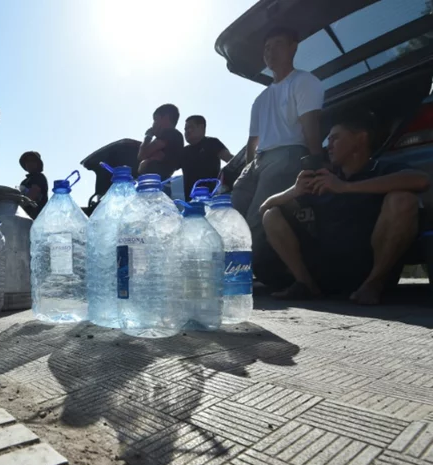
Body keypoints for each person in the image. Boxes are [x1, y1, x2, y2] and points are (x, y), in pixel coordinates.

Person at [258, 115, 430, 305]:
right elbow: (265, 207)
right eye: (328, 140)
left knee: (403, 199)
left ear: (361, 138)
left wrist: (345, 187)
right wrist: (295, 191)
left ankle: (373, 284)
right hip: (326, 271)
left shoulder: (381, 169)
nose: (328, 146)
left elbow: (421, 180)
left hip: (370, 271)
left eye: (335, 138)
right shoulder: (324, 179)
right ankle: (305, 284)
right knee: (271, 214)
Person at [232, 26, 325, 243]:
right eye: (266, 48)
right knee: (232, 210)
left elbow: (311, 125)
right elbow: (252, 141)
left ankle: (251, 270)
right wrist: (249, 169)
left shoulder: (304, 81)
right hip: (258, 162)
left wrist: (317, 164)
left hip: (288, 155)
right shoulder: (261, 99)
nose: (270, 51)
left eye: (278, 45)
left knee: (259, 215)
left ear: (293, 48)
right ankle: (233, 262)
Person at [181, 115, 233, 197]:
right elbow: (170, 165)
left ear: (201, 127)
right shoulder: (184, 151)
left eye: (190, 127)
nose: (187, 131)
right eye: (185, 129)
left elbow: (231, 161)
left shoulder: (212, 143)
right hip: (192, 201)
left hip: (212, 198)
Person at [137, 104, 184, 180]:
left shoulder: (170, 133)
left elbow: (141, 155)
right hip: (159, 182)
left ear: (165, 118)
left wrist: (148, 137)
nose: (153, 123)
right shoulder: (174, 137)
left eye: (155, 119)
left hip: (156, 183)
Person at [18, 151, 48, 219]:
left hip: (36, 218)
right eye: (27, 161)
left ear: (38, 164)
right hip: (24, 217)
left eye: (32, 161)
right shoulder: (24, 182)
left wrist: (19, 205)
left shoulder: (39, 177)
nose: (29, 163)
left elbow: (33, 195)